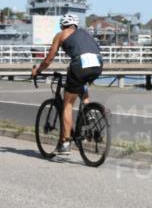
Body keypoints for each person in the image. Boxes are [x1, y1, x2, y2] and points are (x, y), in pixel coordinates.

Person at [31, 14, 103, 153]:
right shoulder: (85, 33)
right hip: (98, 63)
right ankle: (89, 111)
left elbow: (49, 59)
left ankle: (65, 142)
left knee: (68, 103)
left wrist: (38, 70)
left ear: (62, 25)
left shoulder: (61, 35)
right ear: (75, 25)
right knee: (80, 82)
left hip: (80, 64)